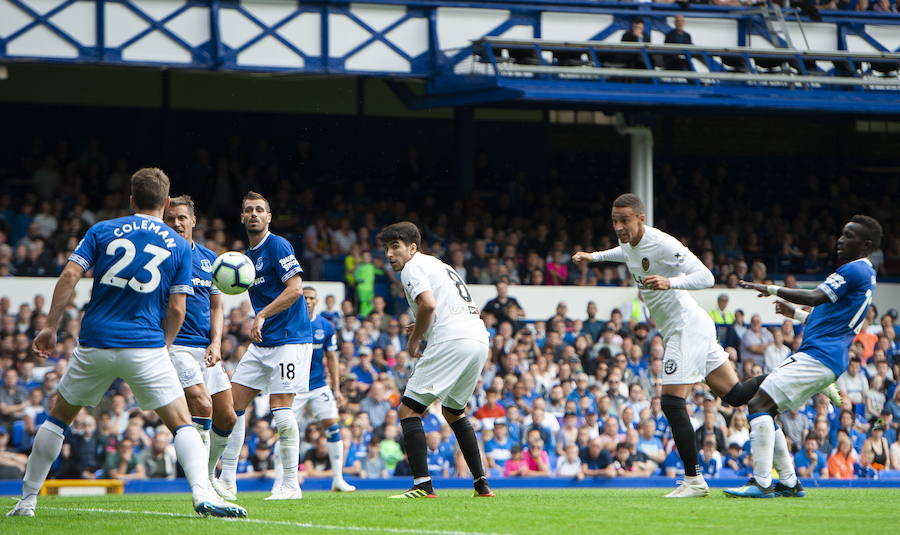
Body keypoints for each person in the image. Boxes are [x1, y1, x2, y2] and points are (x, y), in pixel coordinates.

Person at [8, 168, 245, 518]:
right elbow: (178, 309)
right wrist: (163, 345)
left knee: (58, 419)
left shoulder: (102, 230)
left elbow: (71, 274)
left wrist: (50, 327)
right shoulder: (178, 246)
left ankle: (27, 501)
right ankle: (202, 494)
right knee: (182, 423)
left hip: (95, 342)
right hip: (145, 346)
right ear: (166, 203)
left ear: (131, 199)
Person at [573, 193, 768, 498]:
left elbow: (706, 276)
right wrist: (594, 257)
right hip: (691, 326)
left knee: (671, 402)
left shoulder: (663, 243)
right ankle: (797, 373)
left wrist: (670, 282)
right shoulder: (628, 242)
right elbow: (624, 253)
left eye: (625, 220)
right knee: (735, 395)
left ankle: (694, 480)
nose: (619, 227)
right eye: (615, 221)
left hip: (685, 327)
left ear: (641, 219)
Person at [725, 215, 881, 498]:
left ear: (866, 244)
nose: (840, 240)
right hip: (826, 356)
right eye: (842, 234)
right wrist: (794, 314)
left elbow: (813, 297)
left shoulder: (853, 270)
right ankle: (788, 482)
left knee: (758, 402)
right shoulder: (866, 275)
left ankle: (761, 482)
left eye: (849, 236)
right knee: (768, 409)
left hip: (818, 356)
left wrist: (769, 287)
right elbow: (834, 320)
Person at [379, 221, 494, 499]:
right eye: (386, 248)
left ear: (413, 247)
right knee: (454, 411)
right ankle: (481, 484)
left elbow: (429, 304)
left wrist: (414, 339)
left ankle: (423, 485)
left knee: (408, 410)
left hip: (452, 339)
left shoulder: (412, 267)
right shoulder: (441, 265)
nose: (390, 254)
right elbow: (458, 306)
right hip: (477, 337)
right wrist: (421, 326)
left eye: (395, 247)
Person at [214, 191, 313, 501]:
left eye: (260, 210)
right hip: (263, 343)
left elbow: (295, 290)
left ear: (269, 217)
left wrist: (262, 315)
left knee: (282, 412)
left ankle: (290, 485)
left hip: (290, 340)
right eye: (249, 210)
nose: (254, 214)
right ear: (242, 218)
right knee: (232, 409)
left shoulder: (277, 245)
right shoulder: (247, 257)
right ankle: (228, 479)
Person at [163, 195, 237, 498]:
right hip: (176, 346)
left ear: (193, 220)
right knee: (202, 405)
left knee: (228, 417)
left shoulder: (210, 259)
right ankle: (202, 484)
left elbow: (217, 307)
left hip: (206, 349)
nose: (177, 223)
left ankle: (208, 474)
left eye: (182, 217)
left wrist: (216, 342)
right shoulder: (162, 256)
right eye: (171, 219)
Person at [270, 286, 356, 492]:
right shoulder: (289, 322)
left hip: (318, 385)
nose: (307, 301)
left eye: (311, 298)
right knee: (284, 431)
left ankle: (338, 479)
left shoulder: (325, 326)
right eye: (305, 298)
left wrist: (336, 388)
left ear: (317, 301)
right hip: (294, 387)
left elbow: (332, 358)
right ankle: (278, 481)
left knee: (333, 427)